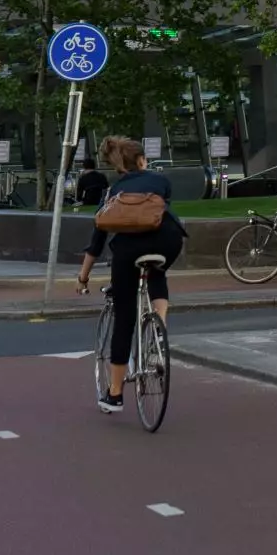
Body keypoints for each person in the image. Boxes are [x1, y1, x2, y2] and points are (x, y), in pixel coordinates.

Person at [76, 136, 187, 414]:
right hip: (168, 240)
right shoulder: (161, 181)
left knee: (125, 317)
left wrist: (83, 277)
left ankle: (114, 394)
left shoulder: (113, 192)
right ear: (141, 160)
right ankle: (159, 327)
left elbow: (97, 239)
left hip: (128, 249)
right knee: (157, 272)